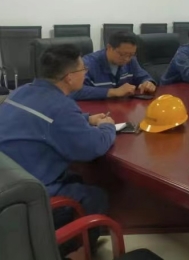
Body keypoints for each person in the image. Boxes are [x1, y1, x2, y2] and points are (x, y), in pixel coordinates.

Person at [0, 44, 116, 255]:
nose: (85, 73)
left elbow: (45, 120)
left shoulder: (22, 91)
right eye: (83, 69)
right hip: (32, 192)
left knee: (76, 178)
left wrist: (86, 119)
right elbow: (93, 147)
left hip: (9, 178)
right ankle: (62, 250)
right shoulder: (61, 107)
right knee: (97, 196)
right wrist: (108, 126)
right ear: (69, 77)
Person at [71, 31, 156, 100]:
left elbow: (143, 76)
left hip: (122, 109)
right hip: (95, 111)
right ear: (109, 47)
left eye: (131, 55)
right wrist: (113, 92)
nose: (126, 59)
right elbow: (73, 91)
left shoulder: (131, 61)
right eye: (122, 54)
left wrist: (148, 83)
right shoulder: (88, 63)